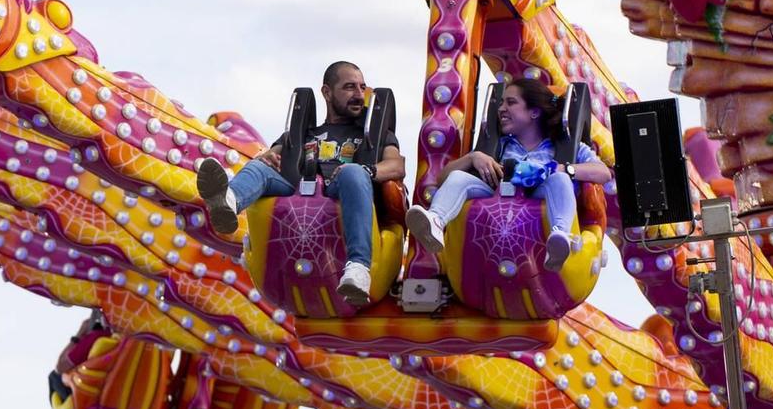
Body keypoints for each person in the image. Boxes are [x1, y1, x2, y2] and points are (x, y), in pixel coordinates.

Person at [194, 61, 403, 307]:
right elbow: (270, 157)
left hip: (339, 190)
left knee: (353, 173)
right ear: (327, 92)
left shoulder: (374, 135)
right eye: (349, 87)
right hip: (298, 192)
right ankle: (228, 202)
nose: (359, 94)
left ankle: (358, 268)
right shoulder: (303, 133)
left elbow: (396, 165)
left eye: (362, 87)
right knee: (259, 167)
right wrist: (267, 157)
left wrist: (366, 171)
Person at [405, 78, 610, 271]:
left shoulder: (563, 147)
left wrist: (562, 169)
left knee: (560, 179)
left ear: (534, 112)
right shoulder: (500, 146)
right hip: (500, 193)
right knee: (459, 178)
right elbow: (442, 179)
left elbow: (604, 173)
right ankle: (436, 221)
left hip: (540, 194)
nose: (502, 109)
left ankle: (560, 236)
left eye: (511, 103)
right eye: (501, 103)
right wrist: (473, 158)